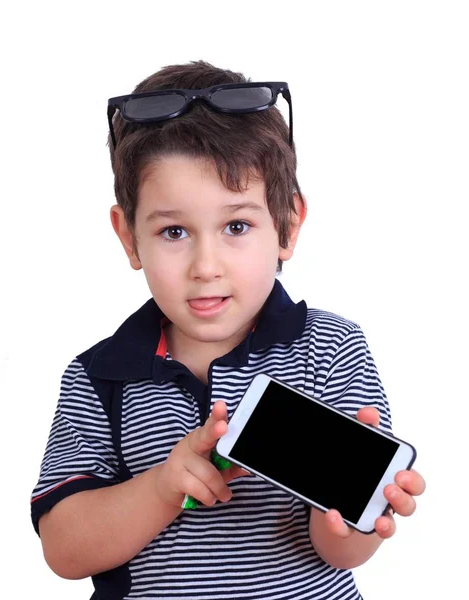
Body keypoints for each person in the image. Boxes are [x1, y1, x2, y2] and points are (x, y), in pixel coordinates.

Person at [30, 60, 425, 600]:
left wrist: (351, 520)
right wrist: (163, 487)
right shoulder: (99, 376)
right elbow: (64, 551)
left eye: (236, 226)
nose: (206, 265)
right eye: (174, 231)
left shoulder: (330, 348)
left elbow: (342, 554)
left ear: (287, 225)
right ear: (129, 238)